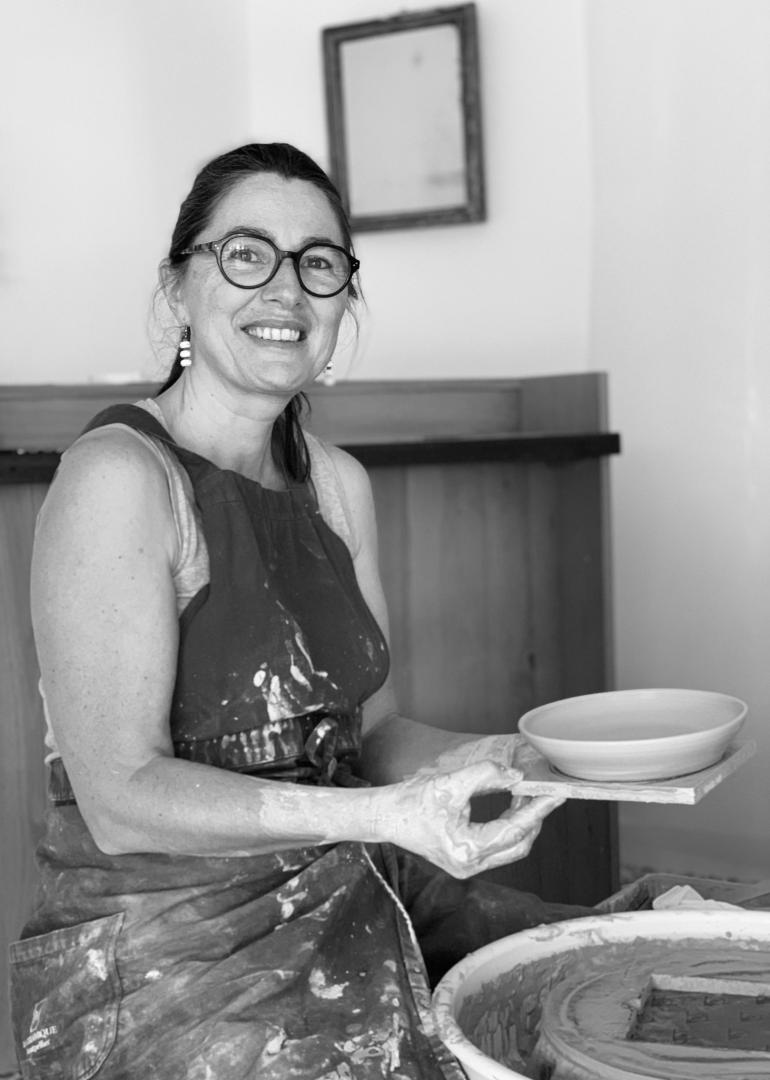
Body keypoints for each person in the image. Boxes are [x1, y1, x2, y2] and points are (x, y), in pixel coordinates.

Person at [10, 142, 587, 1080]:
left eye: (319, 263)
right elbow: (119, 799)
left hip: (354, 883)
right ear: (178, 289)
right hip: (170, 949)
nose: (286, 291)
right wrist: (387, 815)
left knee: (593, 974)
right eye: (246, 254)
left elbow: (374, 733)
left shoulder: (338, 485)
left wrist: (486, 759)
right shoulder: (120, 475)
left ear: (342, 301)